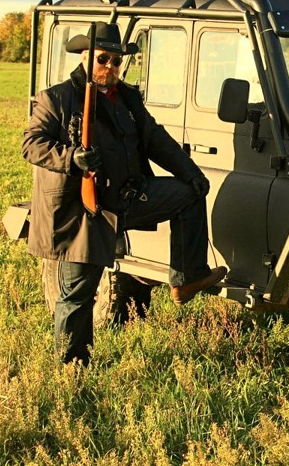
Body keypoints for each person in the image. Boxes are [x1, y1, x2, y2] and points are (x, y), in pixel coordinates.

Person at [22, 21, 227, 364]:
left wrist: (191, 174)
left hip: (129, 198)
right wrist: (71, 157)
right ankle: (72, 367)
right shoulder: (57, 98)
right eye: (103, 59)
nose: (111, 68)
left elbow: (155, 140)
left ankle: (186, 278)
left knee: (187, 195)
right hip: (83, 210)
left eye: (117, 61)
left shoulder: (128, 98)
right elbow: (32, 145)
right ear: (86, 57)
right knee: (77, 294)